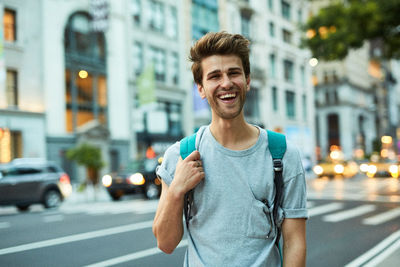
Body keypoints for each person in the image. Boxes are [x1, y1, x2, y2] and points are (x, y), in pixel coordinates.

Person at [153, 31, 308, 267]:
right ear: (201, 89)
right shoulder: (180, 155)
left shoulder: (284, 154)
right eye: (214, 76)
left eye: (233, 73)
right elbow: (165, 244)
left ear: (247, 80)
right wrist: (176, 191)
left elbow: (294, 240)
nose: (226, 83)